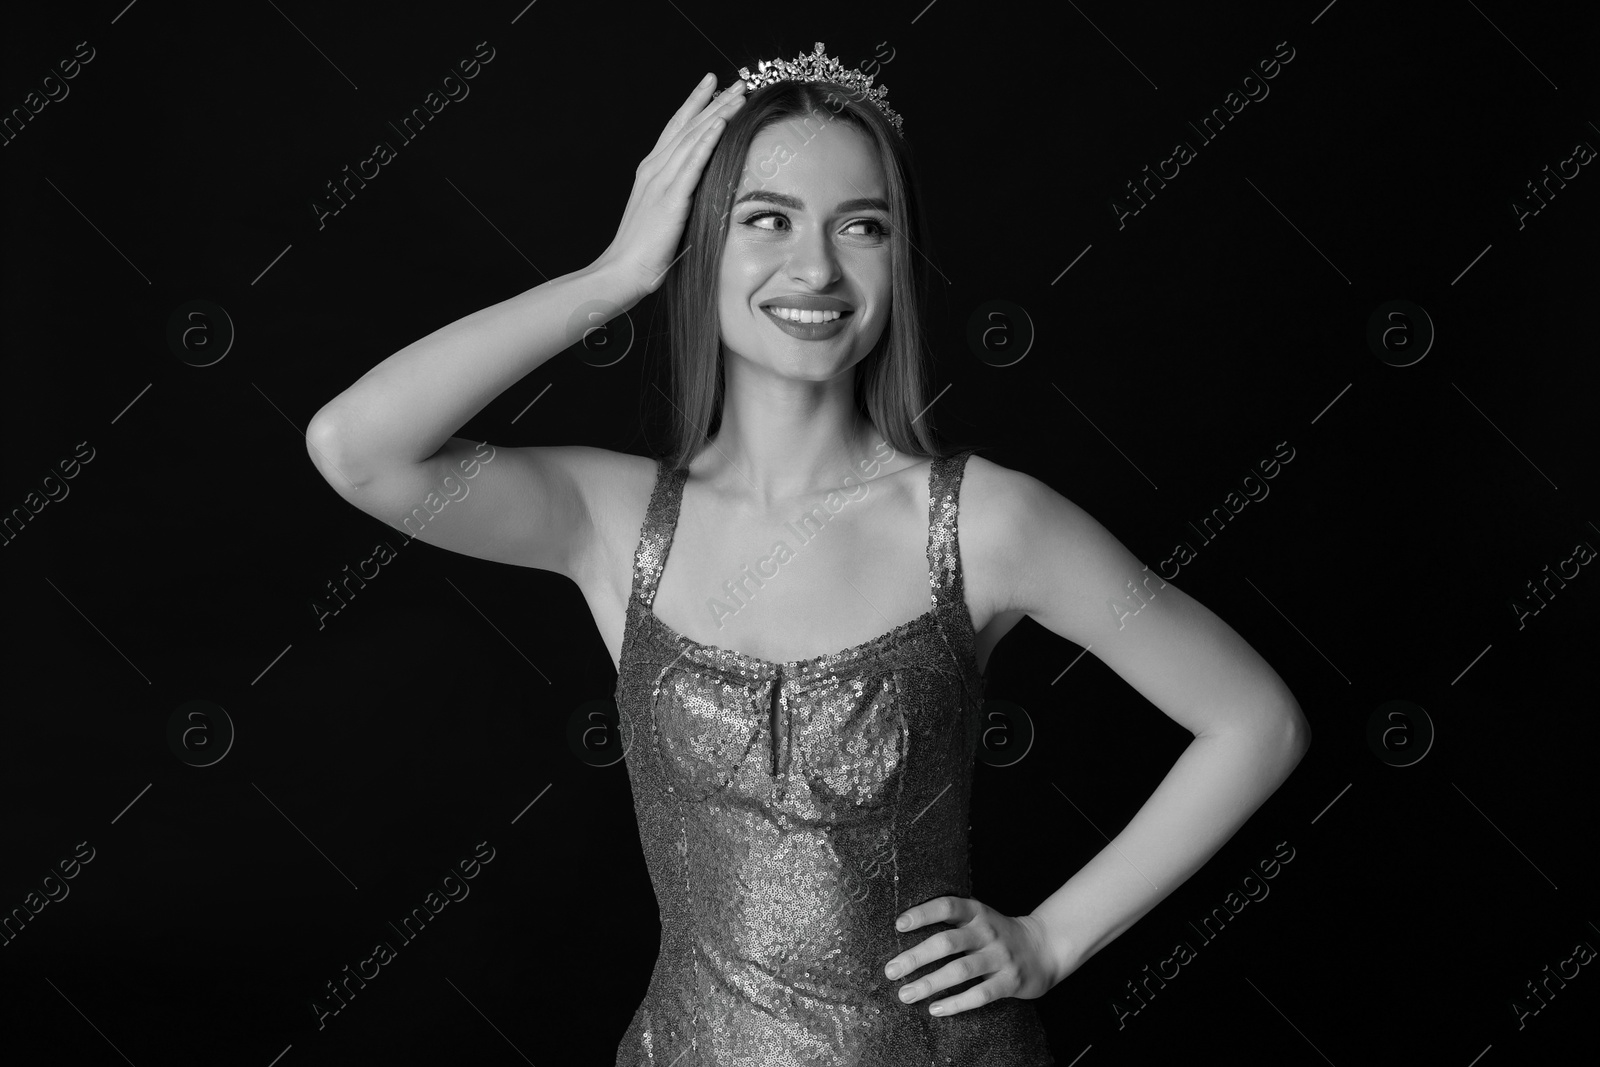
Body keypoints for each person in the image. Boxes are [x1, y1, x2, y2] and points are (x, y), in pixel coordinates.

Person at [305, 43, 1310, 1066]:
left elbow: (1255, 720)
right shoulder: (611, 519)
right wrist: (608, 278)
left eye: (861, 226)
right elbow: (359, 449)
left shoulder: (985, 524)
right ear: (696, 244)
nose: (818, 268)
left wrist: (1052, 936)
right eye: (766, 219)